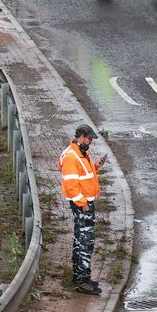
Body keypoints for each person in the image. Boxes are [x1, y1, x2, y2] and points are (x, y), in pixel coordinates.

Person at [60, 124, 106, 294]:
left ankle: (82, 277)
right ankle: (81, 280)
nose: (91, 141)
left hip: (84, 203)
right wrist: (84, 204)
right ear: (80, 136)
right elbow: (71, 185)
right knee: (85, 241)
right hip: (82, 205)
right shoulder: (72, 157)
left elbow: (84, 175)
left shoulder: (81, 153)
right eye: (89, 138)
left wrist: (96, 166)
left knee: (82, 240)